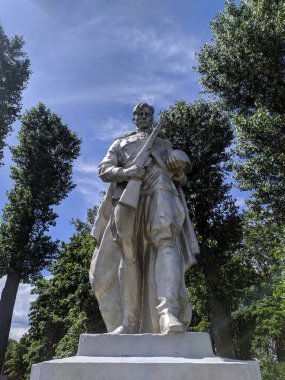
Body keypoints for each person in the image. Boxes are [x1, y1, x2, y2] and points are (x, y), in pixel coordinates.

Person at [89, 103, 199, 334]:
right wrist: (126, 173)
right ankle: (129, 322)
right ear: (133, 118)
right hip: (128, 192)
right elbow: (104, 169)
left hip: (160, 185)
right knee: (127, 250)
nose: (143, 117)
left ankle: (167, 312)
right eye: (139, 114)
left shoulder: (164, 143)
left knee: (166, 239)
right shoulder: (120, 143)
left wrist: (179, 164)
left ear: (152, 117)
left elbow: (181, 176)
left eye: (147, 114)